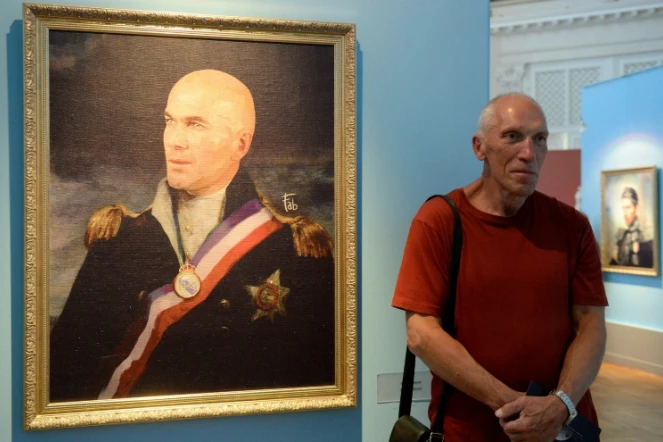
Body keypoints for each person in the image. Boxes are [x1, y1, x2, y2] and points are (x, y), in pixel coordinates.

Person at [50, 69, 335, 402]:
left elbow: (315, 379)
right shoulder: (119, 240)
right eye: (170, 121)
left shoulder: (293, 248)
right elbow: (66, 372)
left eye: (195, 124)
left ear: (239, 144)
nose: (174, 139)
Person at [392, 93, 608, 441]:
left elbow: (591, 325)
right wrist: (516, 407)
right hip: (472, 430)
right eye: (512, 136)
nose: (528, 153)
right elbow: (421, 333)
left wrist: (559, 405)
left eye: (539, 139)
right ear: (480, 147)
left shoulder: (572, 226)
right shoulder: (440, 221)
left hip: (562, 429)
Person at [610, 186, 654, 268]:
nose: (625, 213)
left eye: (628, 207)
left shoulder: (646, 235)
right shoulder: (621, 234)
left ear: (636, 209)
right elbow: (614, 263)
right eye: (623, 208)